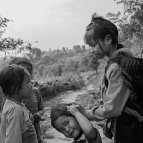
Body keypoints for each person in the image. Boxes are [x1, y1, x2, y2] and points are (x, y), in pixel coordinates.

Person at [83, 13, 143, 143]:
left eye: (93, 45)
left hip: (129, 128)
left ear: (108, 39)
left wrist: (88, 113)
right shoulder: (120, 61)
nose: (92, 50)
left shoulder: (115, 67)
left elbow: (113, 108)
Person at [9, 57, 44, 143]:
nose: (25, 72)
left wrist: (38, 114)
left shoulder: (35, 91)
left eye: (28, 70)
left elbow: (42, 109)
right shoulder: (7, 96)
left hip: (36, 135)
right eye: (21, 70)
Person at [0, 65, 38, 143]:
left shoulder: (11, 104)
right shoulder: (15, 110)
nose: (32, 85)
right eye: (28, 82)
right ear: (15, 88)